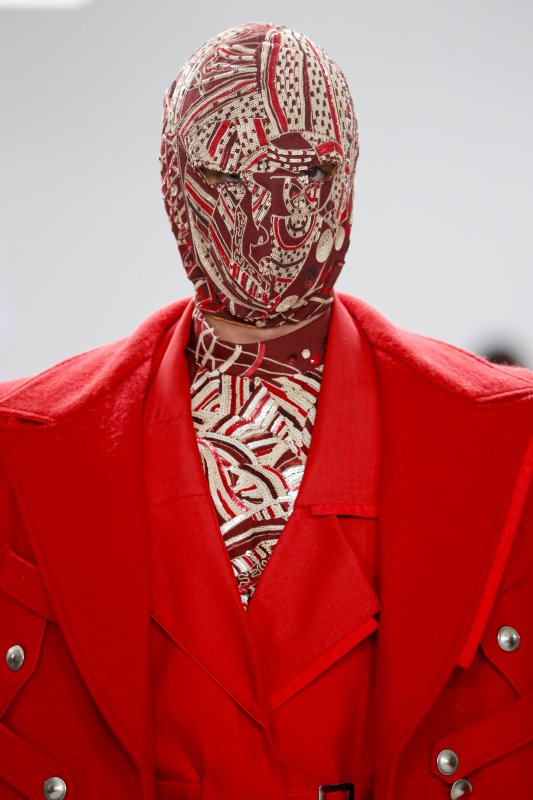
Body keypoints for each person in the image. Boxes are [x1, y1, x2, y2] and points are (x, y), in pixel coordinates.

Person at [0, 21, 532, 800]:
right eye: (226, 178)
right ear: (172, 181)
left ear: (348, 177)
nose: (273, 216)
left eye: (307, 175)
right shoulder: (22, 449)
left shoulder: (510, 445)